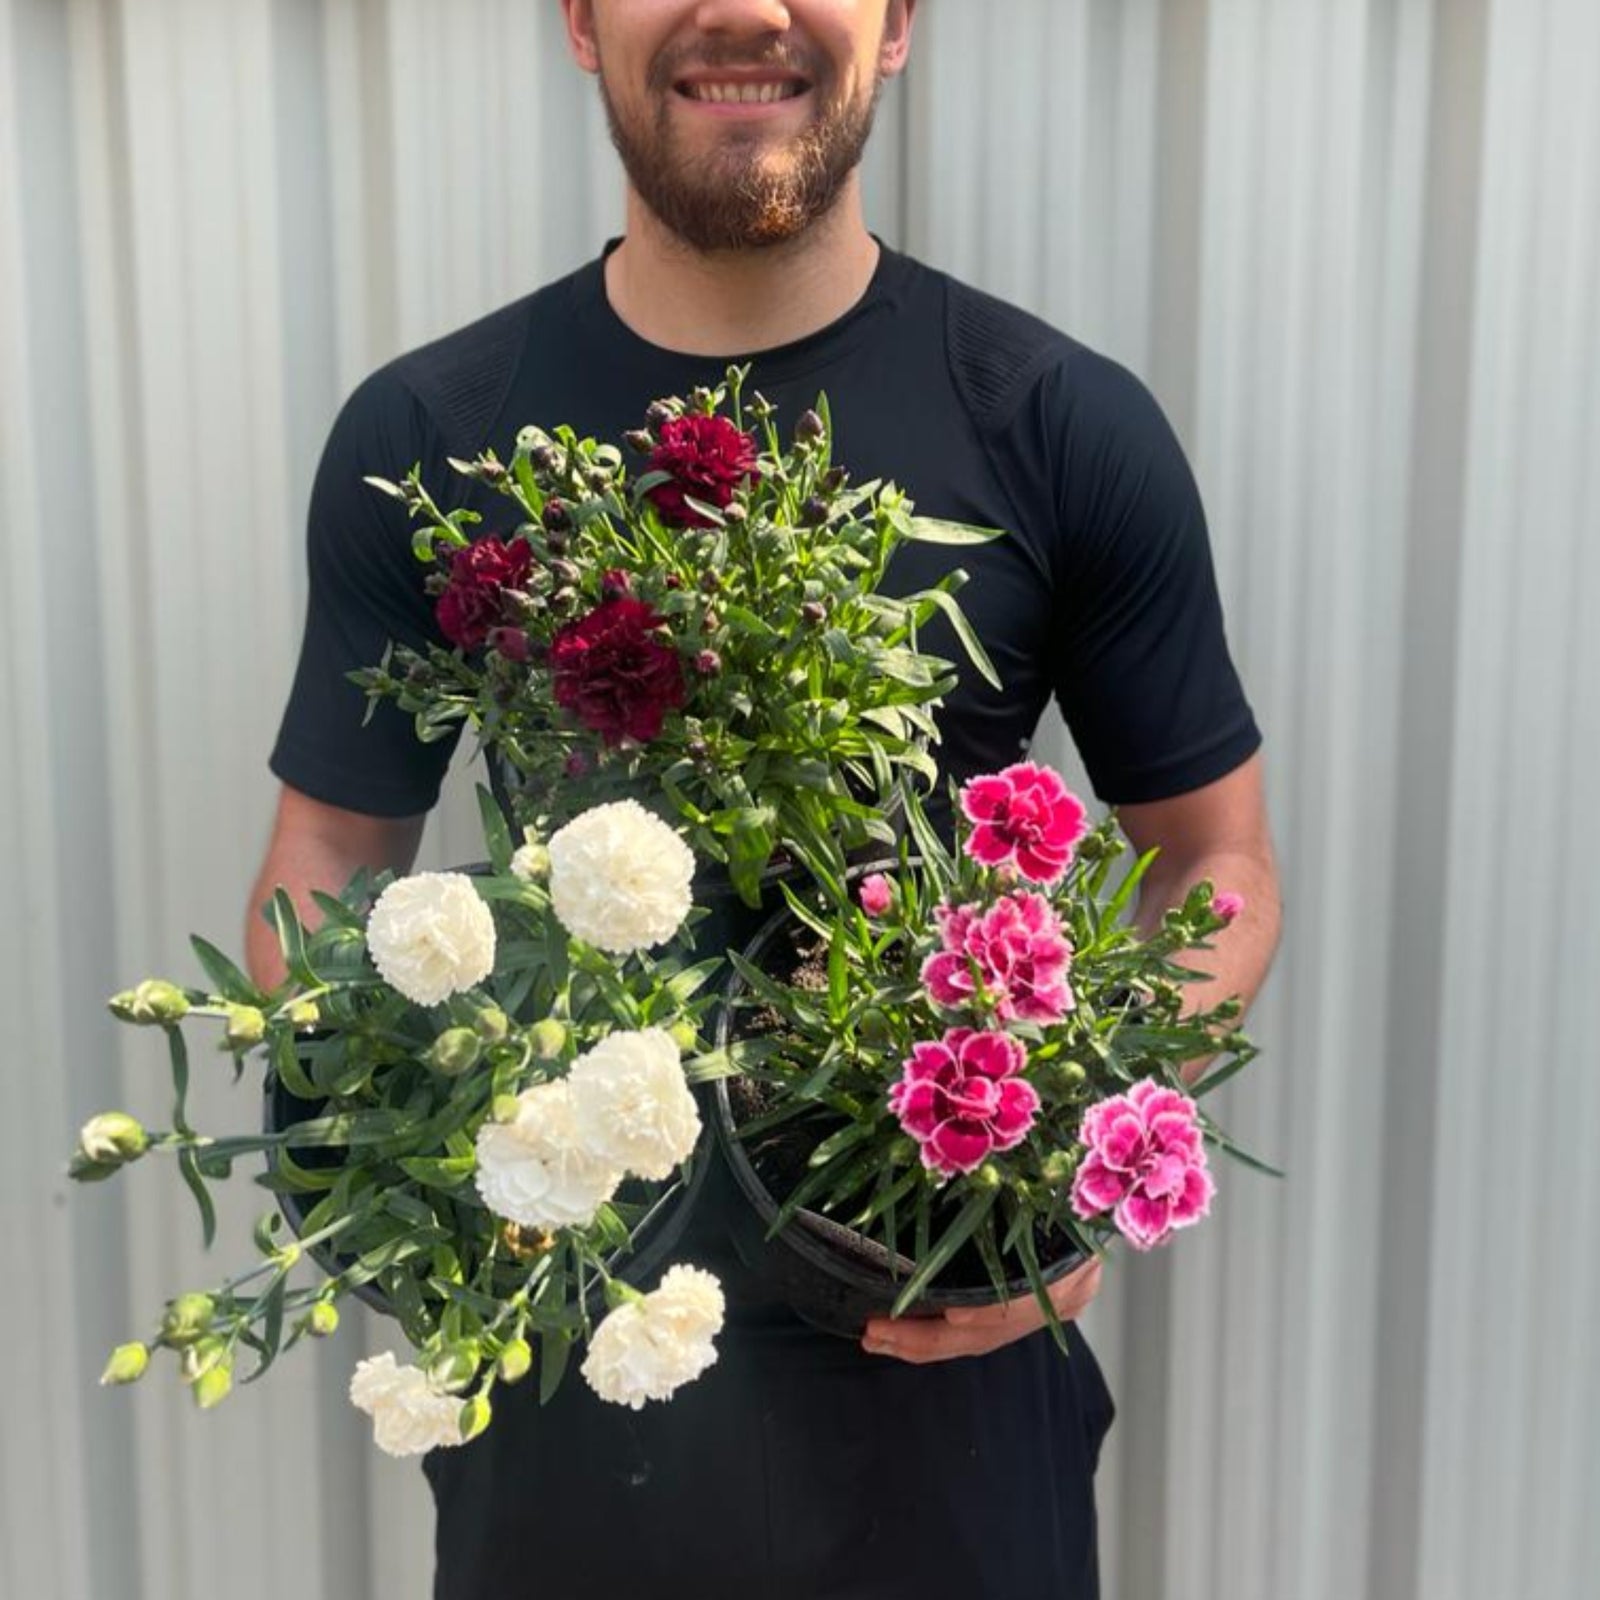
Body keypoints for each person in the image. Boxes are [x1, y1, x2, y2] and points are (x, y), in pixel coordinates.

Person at [248, 3, 1282, 1595]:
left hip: (941, 1402)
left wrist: (1074, 1180)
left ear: (900, 21)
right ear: (585, 22)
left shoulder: (1058, 423)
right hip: (569, 1409)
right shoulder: (434, 437)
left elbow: (1212, 860)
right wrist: (391, 1171)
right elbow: (325, 854)